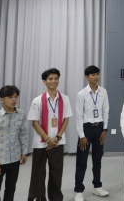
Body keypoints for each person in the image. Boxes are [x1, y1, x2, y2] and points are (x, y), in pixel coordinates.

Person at [27, 68, 73, 201]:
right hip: (41, 143)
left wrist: (57, 137)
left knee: (56, 173)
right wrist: (48, 139)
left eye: (56, 78)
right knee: (38, 172)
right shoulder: (37, 100)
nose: (54, 81)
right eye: (50, 79)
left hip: (58, 142)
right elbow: (34, 122)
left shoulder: (65, 99)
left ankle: (56, 198)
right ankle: (38, 197)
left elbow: (66, 119)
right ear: (44, 81)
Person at [0, 85, 28, 201]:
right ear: (2, 99)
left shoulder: (21, 114)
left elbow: (23, 134)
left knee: (11, 187)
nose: (14, 100)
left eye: (15, 97)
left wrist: (24, 152)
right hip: (0, 159)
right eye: (10, 97)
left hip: (15, 157)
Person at [74, 65, 110, 200]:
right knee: (82, 161)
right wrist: (82, 135)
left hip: (99, 128)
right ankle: (78, 190)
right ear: (87, 77)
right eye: (93, 75)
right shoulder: (81, 94)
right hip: (86, 129)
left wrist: (105, 129)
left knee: (97, 159)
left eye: (97, 74)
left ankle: (97, 186)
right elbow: (79, 116)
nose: (96, 77)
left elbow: (106, 111)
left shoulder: (103, 92)